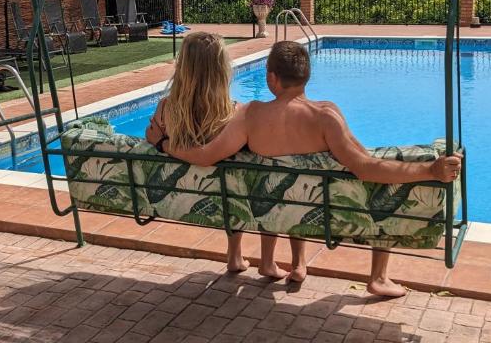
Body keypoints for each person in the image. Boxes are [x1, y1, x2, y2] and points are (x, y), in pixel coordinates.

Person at [161, 40, 462, 296]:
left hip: (272, 214)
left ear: (272, 79)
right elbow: (366, 166)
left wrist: (165, 145)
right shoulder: (325, 117)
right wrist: (430, 171)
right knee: (378, 187)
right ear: (306, 77)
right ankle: (378, 277)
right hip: (326, 218)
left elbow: (205, 156)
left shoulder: (250, 115)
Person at [145, 31, 306, 280]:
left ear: (183, 67)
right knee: (245, 181)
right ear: (221, 70)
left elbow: (152, 138)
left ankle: (234, 255)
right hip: (229, 201)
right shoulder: (234, 115)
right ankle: (250, 257)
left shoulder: (165, 109)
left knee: (232, 185)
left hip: (180, 201)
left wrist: (163, 143)